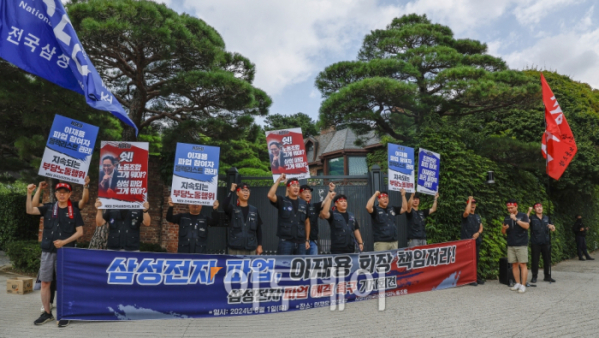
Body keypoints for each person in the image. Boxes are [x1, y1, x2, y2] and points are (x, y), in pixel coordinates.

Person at [26, 182, 84, 328]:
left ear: (70, 194)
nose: (62, 194)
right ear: (56, 194)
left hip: (66, 252)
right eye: (59, 192)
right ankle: (47, 313)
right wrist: (29, 193)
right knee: (45, 282)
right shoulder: (48, 207)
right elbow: (30, 210)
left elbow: (80, 232)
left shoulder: (74, 211)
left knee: (64, 283)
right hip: (47, 251)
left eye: (65, 192)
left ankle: (64, 313)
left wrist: (65, 241)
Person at [267, 174, 310, 255]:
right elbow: (270, 195)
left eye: (298, 185)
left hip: (301, 243)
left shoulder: (303, 203)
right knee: (283, 266)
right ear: (288, 188)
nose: (296, 187)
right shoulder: (282, 201)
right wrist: (279, 180)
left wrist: (307, 240)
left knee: (300, 267)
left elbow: (307, 222)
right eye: (293, 185)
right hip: (285, 242)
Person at [223, 182, 264, 255]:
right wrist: (231, 190)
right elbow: (224, 206)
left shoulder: (254, 210)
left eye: (247, 191)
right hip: (235, 248)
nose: (246, 193)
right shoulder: (233, 209)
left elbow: (259, 229)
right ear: (237, 193)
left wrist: (260, 245)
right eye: (243, 190)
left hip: (251, 248)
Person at [501, 199, 530, 293]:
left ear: (516, 206)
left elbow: (526, 226)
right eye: (508, 208)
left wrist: (515, 219)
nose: (510, 210)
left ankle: (523, 285)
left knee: (522, 264)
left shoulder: (523, 215)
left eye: (511, 208)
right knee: (514, 265)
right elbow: (503, 232)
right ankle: (517, 283)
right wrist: (504, 229)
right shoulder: (506, 218)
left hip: (521, 244)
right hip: (511, 244)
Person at [300, 182, 335, 255]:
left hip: (313, 240)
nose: (307, 194)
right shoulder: (296, 206)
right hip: (300, 241)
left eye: (309, 192)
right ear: (299, 195)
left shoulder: (314, 206)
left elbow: (325, 202)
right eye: (305, 192)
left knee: (313, 263)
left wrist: (330, 191)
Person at [526, 203, 556, 283]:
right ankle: (534, 276)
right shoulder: (532, 218)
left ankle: (547, 276)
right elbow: (525, 222)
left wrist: (551, 227)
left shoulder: (547, 218)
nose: (539, 208)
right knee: (535, 260)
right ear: (534, 209)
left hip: (545, 242)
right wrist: (528, 212)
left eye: (540, 207)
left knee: (547, 260)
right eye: (537, 207)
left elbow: (553, 228)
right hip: (535, 242)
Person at [461, 196, 484, 286]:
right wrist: (469, 200)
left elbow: (481, 227)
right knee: (469, 261)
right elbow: (466, 212)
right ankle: (469, 279)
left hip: (476, 241)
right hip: (467, 242)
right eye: (471, 203)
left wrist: (478, 233)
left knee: (476, 260)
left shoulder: (477, 216)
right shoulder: (465, 215)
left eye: (474, 203)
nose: (473, 205)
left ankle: (475, 278)